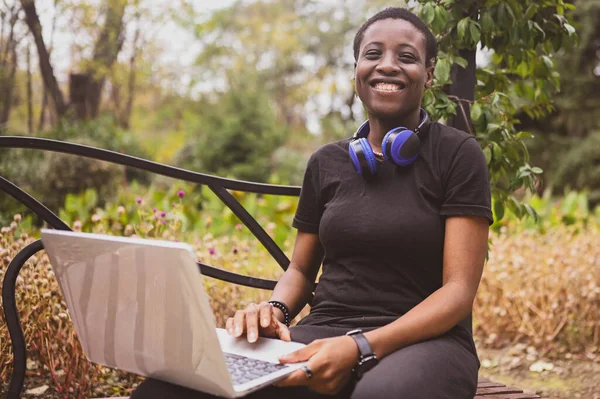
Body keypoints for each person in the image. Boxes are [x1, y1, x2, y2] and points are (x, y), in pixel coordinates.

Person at [131, 7, 492, 399]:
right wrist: (274, 311)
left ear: (429, 72)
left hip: (426, 342)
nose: (387, 66)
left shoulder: (458, 154)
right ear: (356, 68)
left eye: (406, 57)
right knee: (165, 390)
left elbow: (458, 291)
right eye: (373, 54)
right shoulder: (326, 162)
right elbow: (301, 270)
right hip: (325, 331)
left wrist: (361, 346)